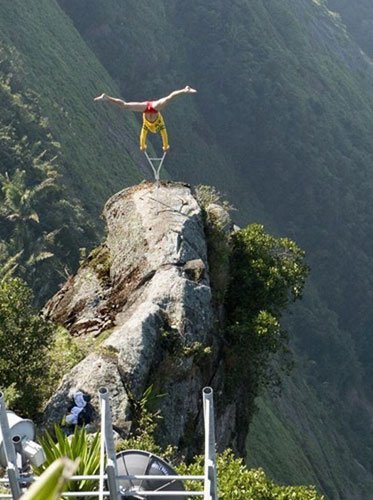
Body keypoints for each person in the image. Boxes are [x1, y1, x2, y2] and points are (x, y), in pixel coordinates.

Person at [94, 86, 197, 152]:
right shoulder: (160, 125)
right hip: (154, 108)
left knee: (126, 106)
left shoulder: (146, 126)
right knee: (168, 99)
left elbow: (142, 135)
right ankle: (185, 90)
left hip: (145, 107)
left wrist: (142, 146)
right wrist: (165, 147)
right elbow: (164, 135)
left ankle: (106, 97)